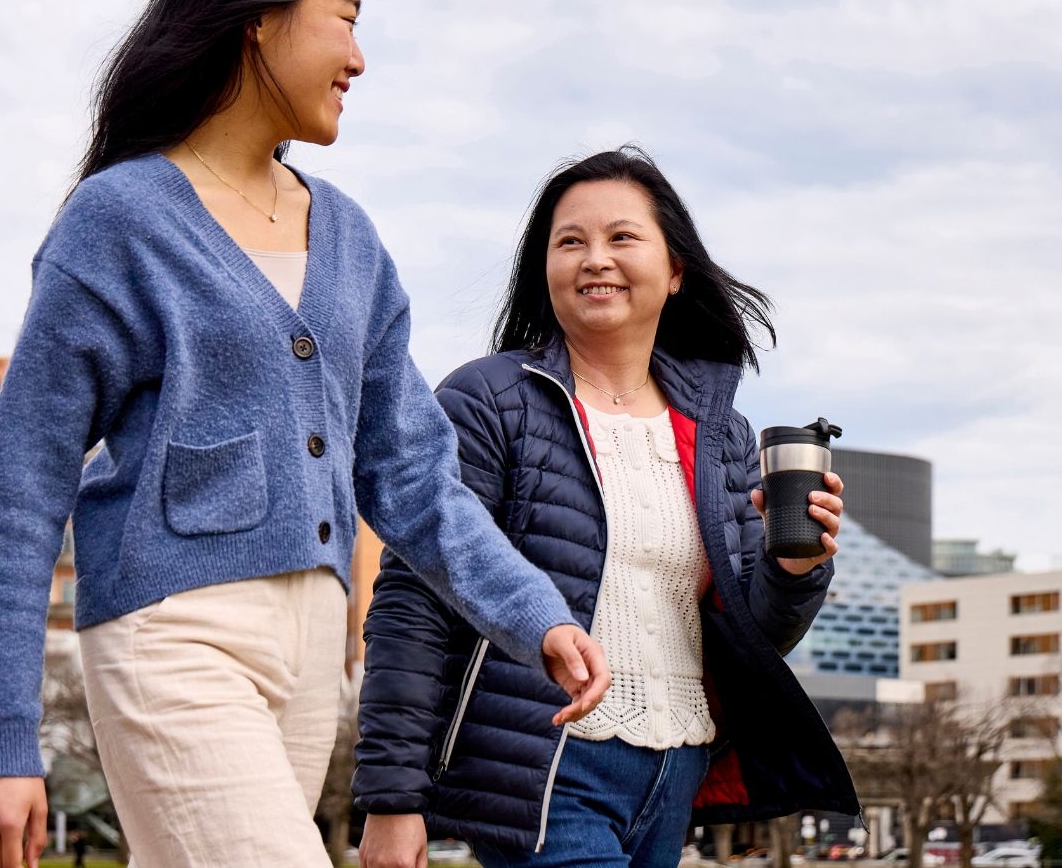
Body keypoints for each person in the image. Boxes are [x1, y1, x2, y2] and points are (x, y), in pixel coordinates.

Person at [0, 0, 609, 868]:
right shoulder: (118, 221)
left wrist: (535, 613)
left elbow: (417, 481)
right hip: (173, 635)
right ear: (260, 17)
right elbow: (21, 490)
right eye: (345, 19)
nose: (358, 57)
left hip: (312, 658)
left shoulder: (350, 241)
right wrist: (0, 740)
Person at [354, 148, 861, 866]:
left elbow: (754, 635)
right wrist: (392, 798)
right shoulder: (488, 400)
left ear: (676, 268)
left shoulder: (719, 433)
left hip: (676, 769)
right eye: (570, 242)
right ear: (544, 271)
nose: (596, 259)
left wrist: (796, 565)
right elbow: (415, 599)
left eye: (622, 237)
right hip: (546, 771)